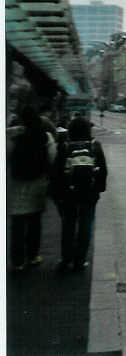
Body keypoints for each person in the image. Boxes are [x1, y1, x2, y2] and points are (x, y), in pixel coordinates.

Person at [51, 115, 108, 272]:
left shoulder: (64, 146)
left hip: (69, 193)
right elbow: (102, 170)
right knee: (85, 224)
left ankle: (66, 258)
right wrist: (99, 189)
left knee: (68, 225)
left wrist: (57, 193)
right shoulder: (95, 145)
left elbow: (56, 172)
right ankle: (80, 260)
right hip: (89, 193)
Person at [7, 104, 56, 271]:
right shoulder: (44, 136)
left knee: (17, 224)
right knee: (35, 222)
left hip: (16, 184)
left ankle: (17, 261)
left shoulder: (10, 135)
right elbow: (52, 158)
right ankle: (33, 256)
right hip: (38, 183)